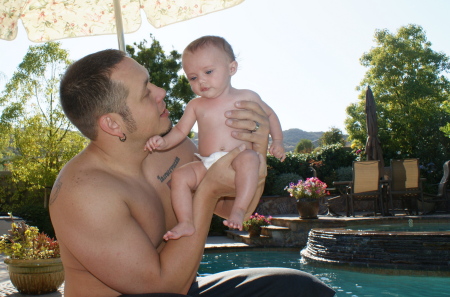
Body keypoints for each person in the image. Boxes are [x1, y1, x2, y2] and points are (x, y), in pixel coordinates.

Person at [50, 49, 335, 297]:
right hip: (156, 292)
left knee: (301, 289)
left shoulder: (172, 149)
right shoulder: (84, 192)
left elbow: (236, 210)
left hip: (184, 287)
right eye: (146, 91)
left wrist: (255, 154)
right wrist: (208, 190)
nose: (161, 91)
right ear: (113, 124)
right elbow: (161, 287)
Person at [145, 36, 286, 240]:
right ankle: (186, 222)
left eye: (208, 72)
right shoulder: (196, 105)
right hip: (207, 165)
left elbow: (270, 115)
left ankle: (238, 209)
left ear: (231, 68)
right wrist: (163, 142)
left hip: (238, 159)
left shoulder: (247, 96)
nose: (201, 81)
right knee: (179, 177)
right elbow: (180, 131)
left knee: (250, 159)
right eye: (193, 78)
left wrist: (278, 141)